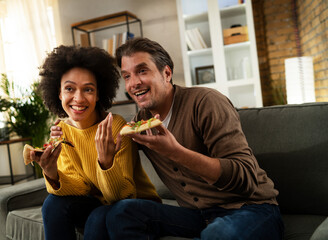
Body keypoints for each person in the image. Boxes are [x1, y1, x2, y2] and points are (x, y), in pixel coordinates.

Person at [51, 38, 284, 240]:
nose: (134, 83)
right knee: (121, 212)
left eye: (142, 71)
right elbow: (100, 155)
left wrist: (176, 151)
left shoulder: (206, 102)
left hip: (250, 208)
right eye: (127, 76)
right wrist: (71, 129)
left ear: (167, 73)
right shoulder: (140, 123)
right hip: (196, 215)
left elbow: (246, 178)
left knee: (218, 235)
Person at [32, 45, 161, 240]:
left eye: (88, 90)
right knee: (52, 203)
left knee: (98, 216)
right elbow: (80, 187)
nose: (78, 98)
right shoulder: (62, 131)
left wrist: (106, 163)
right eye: (69, 89)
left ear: (98, 94)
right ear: (59, 94)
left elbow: (122, 196)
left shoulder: (115, 126)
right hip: (97, 204)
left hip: (133, 206)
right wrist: (52, 174)